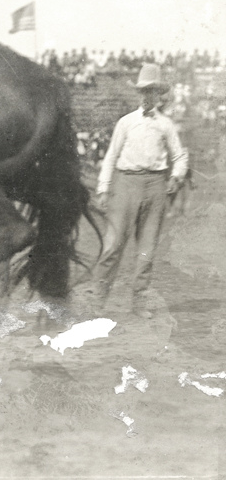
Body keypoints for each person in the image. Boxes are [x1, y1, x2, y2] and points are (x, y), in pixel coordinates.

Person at [86, 63, 189, 319]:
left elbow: (179, 155)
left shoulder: (165, 125)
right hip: (125, 183)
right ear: (138, 94)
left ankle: (139, 302)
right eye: (143, 91)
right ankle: (98, 301)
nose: (146, 96)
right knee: (112, 245)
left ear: (158, 96)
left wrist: (176, 176)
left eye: (151, 92)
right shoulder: (126, 123)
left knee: (146, 250)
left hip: (155, 187)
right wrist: (103, 188)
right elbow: (110, 156)